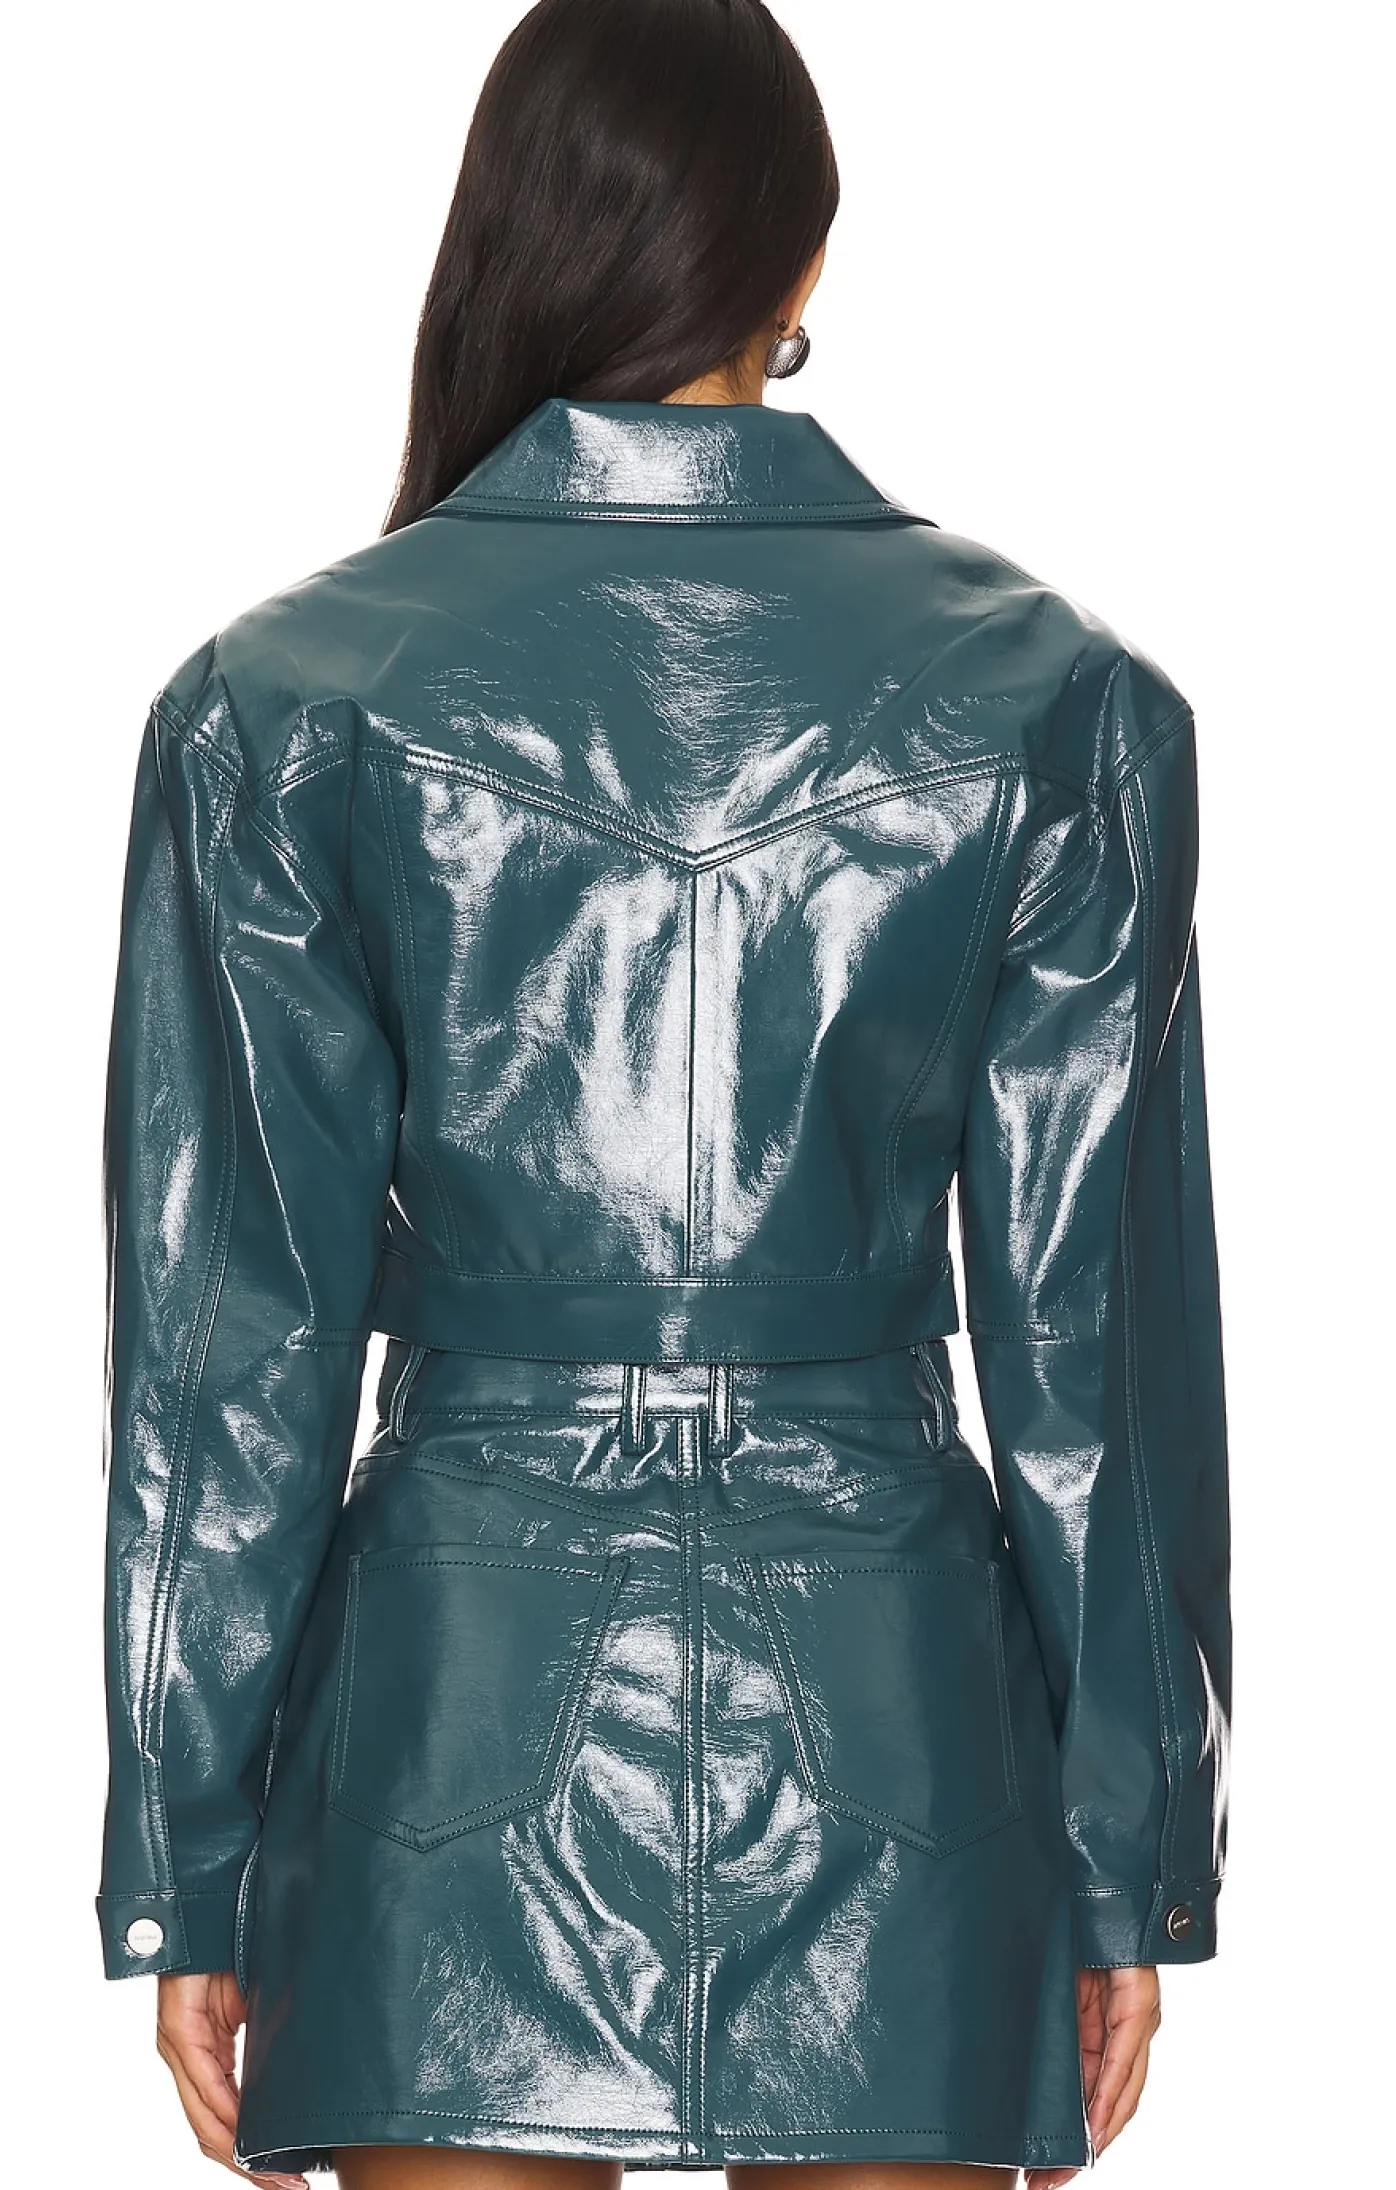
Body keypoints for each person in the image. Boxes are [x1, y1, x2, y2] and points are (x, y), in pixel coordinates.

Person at [93, 4, 1232, 2189]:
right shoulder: (1050, 699)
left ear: (514, 236)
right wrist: (1128, 1852)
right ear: (799, 262)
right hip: (896, 1696)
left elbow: (233, 1344)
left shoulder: (288, 701)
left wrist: (188, 1850)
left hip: (452, 1704)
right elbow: (1090, 1348)